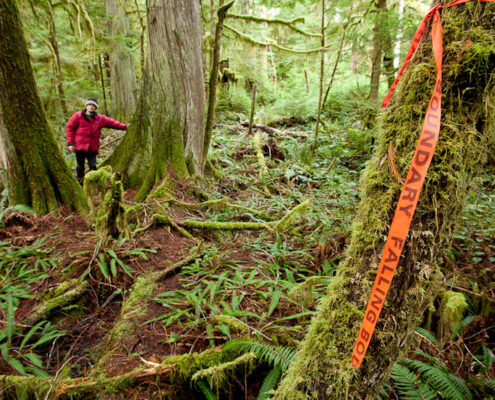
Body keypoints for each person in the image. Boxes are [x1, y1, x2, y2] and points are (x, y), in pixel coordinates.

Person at [66, 98, 127, 185]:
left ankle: (93, 184)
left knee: (93, 166)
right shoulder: (77, 116)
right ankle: (80, 184)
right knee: (80, 167)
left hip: (92, 146)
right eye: (90, 105)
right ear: (86, 106)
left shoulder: (100, 118)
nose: (91, 107)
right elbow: (70, 129)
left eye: (93, 106)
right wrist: (70, 144)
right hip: (80, 145)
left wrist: (125, 127)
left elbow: (112, 123)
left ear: (96, 108)